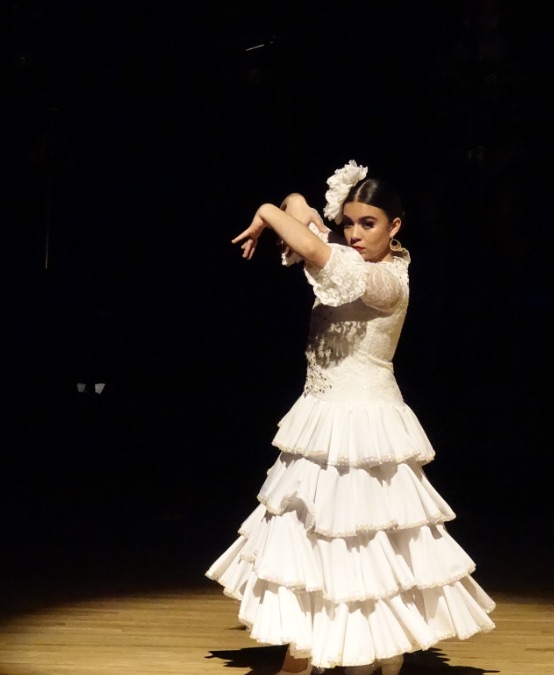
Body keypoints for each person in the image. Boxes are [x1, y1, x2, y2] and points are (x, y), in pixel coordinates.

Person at [206, 161, 495, 675]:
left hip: (364, 429)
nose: (355, 235)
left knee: (365, 551)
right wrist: (292, 200)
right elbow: (308, 219)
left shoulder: (381, 281)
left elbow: (312, 243)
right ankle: (315, 648)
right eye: (349, 223)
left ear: (395, 227)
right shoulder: (349, 256)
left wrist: (269, 210)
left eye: (370, 224)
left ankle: (369, 655)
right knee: (310, 545)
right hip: (321, 421)